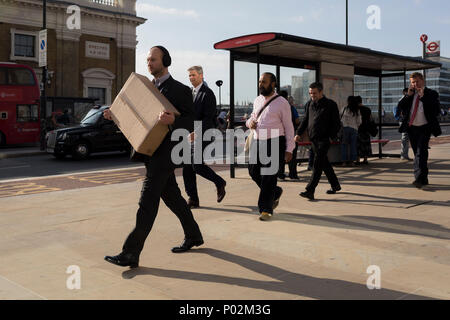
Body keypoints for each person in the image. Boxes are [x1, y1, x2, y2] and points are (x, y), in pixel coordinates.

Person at [103, 46, 204, 268]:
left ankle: (131, 252)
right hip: (150, 152)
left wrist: (173, 121)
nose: (149, 63)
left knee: (147, 201)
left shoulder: (180, 90)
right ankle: (194, 235)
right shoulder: (145, 88)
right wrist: (115, 116)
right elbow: (136, 118)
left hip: (167, 154)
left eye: (153, 60)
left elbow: (191, 121)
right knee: (173, 198)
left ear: (165, 61)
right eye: (148, 60)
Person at [246, 73, 295, 221]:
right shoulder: (257, 100)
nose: (261, 84)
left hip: (275, 141)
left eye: (264, 82)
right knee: (253, 171)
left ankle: (265, 209)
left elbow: (289, 127)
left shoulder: (282, 102)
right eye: (260, 82)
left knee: (268, 176)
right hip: (257, 140)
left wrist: (289, 149)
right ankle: (275, 192)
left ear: (273, 84)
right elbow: (252, 118)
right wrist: (250, 123)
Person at [182, 66, 227, 209]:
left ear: (201, 76)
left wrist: (197, 131)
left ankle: (219, 182)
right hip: (189, 136)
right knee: (187, 168)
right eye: (189, 76)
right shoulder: (189, 93)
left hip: (204, 134)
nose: (191, 78)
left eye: (194, 75)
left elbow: (209, 118)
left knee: (197, 165)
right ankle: (193, 199)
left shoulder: (208, 94)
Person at [295, 82, 341, 200]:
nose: (312, 95)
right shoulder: (309, 104)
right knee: (324, 163)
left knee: (317, 164)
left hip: (324, 140)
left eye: (314, 93)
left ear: (321, 92)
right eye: (310, 93)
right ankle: (335, 185)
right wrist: (298, 133)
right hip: (313, 139)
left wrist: (331, 137)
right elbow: (305, 120)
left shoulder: (331, 104)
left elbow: (337, 123)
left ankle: (310, 190)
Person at [398, 72, 441, 188]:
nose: (415, 84)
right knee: (417, 152)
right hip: (412, 127)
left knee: (421, 152)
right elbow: (400, 106)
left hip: (424, 127)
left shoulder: (431, 93)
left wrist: (423, 97)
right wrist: (408, 95)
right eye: (413, 82)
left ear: (423, 80)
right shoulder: (410, 94)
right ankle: (423, 178)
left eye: (417, 81)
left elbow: (436, 110)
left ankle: (419, 179)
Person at [277, 91, 300, 180]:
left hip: (280, 135)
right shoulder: (291, 108)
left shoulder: (277, 108)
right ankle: (293, 174)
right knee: (292, 155)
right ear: (286, 98)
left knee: (280, 155)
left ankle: (280, 174)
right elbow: (297, 120)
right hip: (291, 134)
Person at [341, 96, 362, 167]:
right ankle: (352, 162)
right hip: (354, 129)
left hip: (345, 128)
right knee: (353, 145)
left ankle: (344, 162)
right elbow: (359, 121)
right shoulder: (357, 110)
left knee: (344, 145)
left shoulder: (344, 109)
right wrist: (356, 126)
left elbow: (340, 119)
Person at [394, 88, 411, 160]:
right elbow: (397, 110)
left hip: (405, 120)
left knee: (406, 138)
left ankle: (404, 154)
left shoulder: (405, 99)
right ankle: (404, 155)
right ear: (405, 92)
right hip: (404, 121)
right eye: (409, 92)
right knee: (405, 138)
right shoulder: (402, 100)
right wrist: (399, 118)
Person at [355, 96, 373, 165]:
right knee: (366, 144)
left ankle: (358, 160)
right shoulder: (367, 109)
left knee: (358, 145)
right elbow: (370, 119)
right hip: (366, 129)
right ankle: (365, 159)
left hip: (359, 129)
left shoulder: (356, 109)